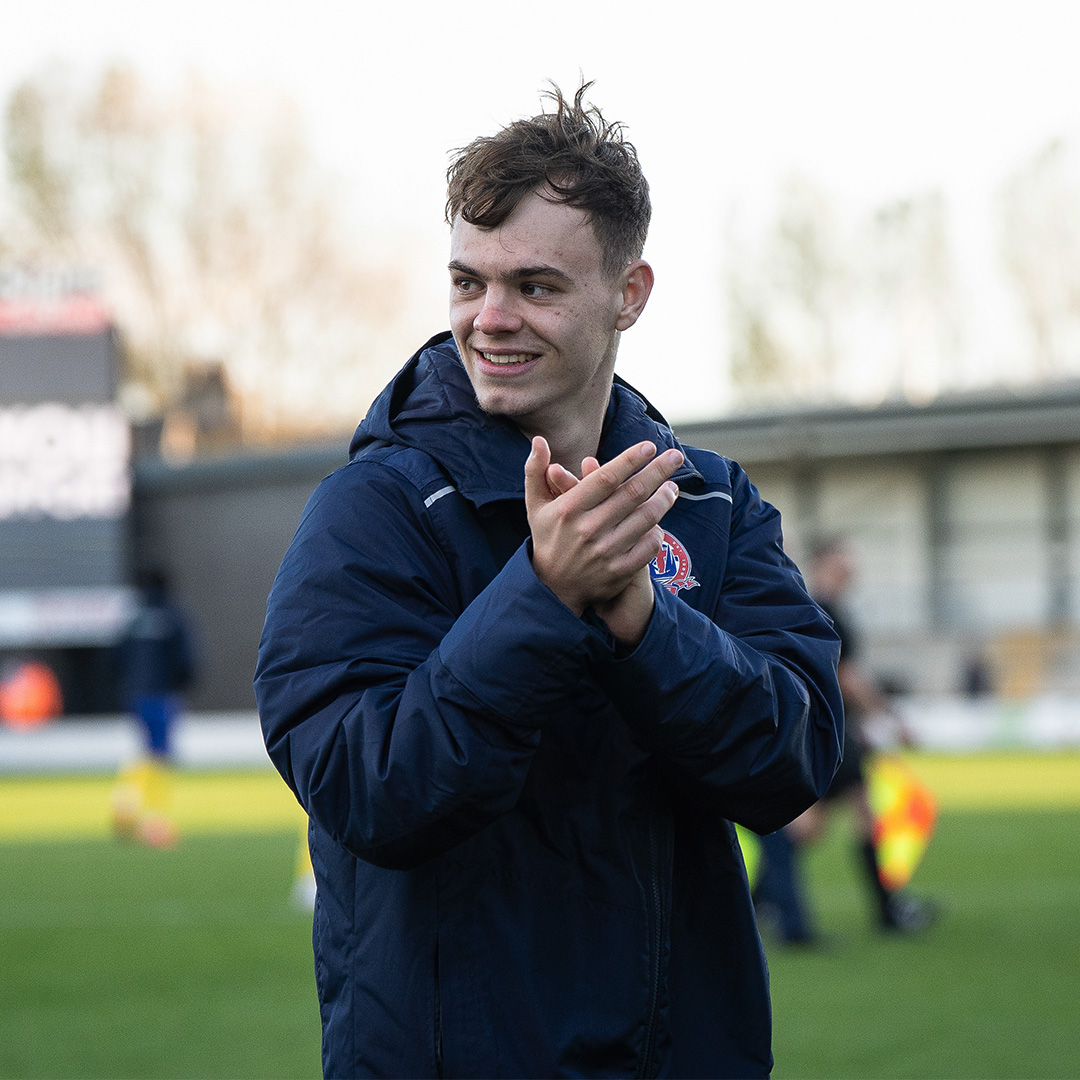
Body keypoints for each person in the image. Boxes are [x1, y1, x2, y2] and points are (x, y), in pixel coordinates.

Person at [255, 83, 843, 1079]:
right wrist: (544, 596)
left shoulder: (708, 504)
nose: (490, 319)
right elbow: (366, 789)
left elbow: (794, 760)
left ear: (630, 293)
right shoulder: (375, 508)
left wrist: (645, 624)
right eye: (467, 282)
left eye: (534, 286)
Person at [753, 537, 936, 942]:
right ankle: (886, 910)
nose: (853, 562)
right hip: (831, 726)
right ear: (827, 560)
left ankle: (757, 902)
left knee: (810, 826)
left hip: (830, 727)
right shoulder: (825, 608)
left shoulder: (822, 605)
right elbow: (844, 675)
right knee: (856, 814)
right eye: (845, 554)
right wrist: (890, 717)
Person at [111, 566, 197, 848]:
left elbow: (115, 656)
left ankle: (126, 801)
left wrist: (128, 683)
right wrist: (181, 684)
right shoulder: (173, 616)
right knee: (160, 755)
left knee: (147, 750)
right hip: (162, 693)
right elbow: (186, 658)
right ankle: (154, 819)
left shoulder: (134, 617)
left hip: (136, 694)